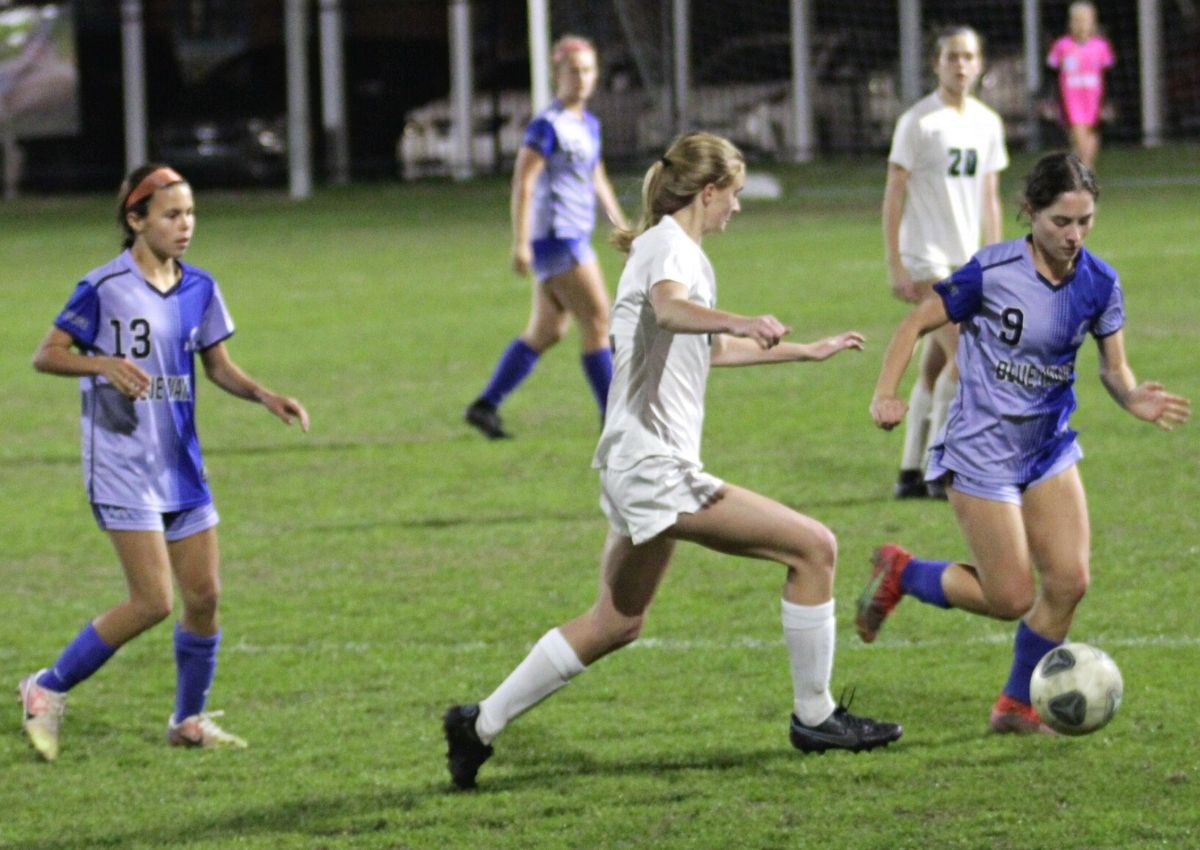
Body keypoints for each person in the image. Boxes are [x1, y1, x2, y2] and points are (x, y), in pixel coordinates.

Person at [443, 132, 902, 790]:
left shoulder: (688, 256)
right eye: (735, 195)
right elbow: (670, 308)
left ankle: (477, 725)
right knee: (814, 549)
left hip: (636, 464)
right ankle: (815, 716)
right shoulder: (667, 244)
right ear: (707, 191)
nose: (738, 208)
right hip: (656, 467)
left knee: (616, 621)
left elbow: (708, 349)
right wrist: (740, 318)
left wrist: (806, 351)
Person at [859, 151, 1189, 733]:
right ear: (1030, 212)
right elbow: (915, 323)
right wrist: (886, 393)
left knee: (1069, 581)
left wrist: (1132, 396)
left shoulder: (1099, 283)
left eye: (1085, 221)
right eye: (1061, 222)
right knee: (1010, 596)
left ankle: (1015, 706)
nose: (1074, 234)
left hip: (1048, 449)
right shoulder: (991, 270)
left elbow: (1115, 368)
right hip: (980, 451)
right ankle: (903, 572)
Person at [19, 164, 310, 761]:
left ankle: (187, 719)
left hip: (180, 463)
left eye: (191, 213)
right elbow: (46, 356)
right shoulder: (103, 287)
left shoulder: (199, 286)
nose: (186, 226)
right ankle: (45, 688)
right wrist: (103, 364)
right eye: (172, 215)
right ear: (136, 219)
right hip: (122, 462)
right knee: (153, 601)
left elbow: (218, 366)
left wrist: (263, 394)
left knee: (203, 597)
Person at [464, 35, 627, 439]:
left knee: (548, 331)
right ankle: (614, 420)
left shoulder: (588, 124)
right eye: (574, 71)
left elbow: (596, 176)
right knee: (598, 320)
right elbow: (524, 181)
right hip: (557, 238)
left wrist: (620, 224)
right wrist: (520, 241)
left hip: (573, 236)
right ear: (557, 75)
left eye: (588, 70)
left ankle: (485, 406)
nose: (582, 78)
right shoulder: (547, 125)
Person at [882, 25, 1007, 499]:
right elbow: (894, 195)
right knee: (969, 356)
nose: (960, 64)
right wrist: (896, 264)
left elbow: (989, 197)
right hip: (927, 260)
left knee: (935, 369)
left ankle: (910, 472)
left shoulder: (988, 123)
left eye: (969, 56)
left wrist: (995, 259)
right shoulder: (918, 122)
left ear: (979, 64)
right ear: (936, 63)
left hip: (965, 262)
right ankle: (940, 470)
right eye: (952, 56)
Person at [1047, 1, 1115, 169]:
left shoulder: (1101, 47)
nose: (1081, 25)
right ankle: (1084, 175)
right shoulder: (1062, 46)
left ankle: (1080, 175)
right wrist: (1049, 100)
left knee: (1090, 140)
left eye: (1086, 20)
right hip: (1071, 101)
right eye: (1077, 20)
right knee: (1079, 137)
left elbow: (1109, 75)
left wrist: (1109, 101)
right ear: (1070, 23)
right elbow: (1051, 74)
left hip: (1093, 100)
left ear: (1093, 22)